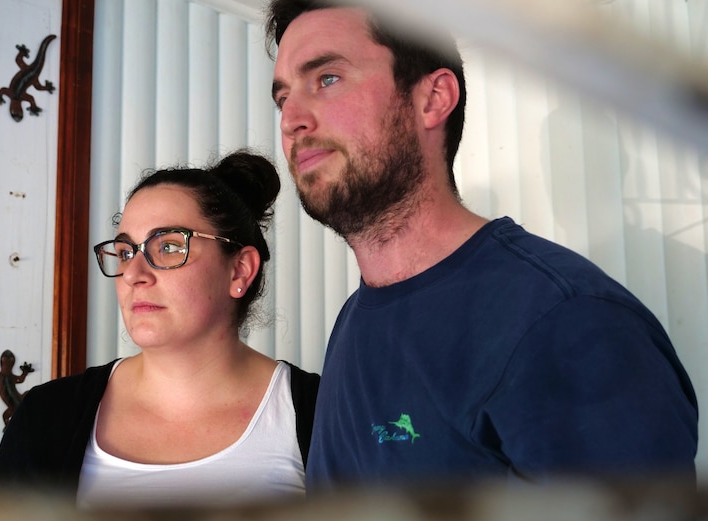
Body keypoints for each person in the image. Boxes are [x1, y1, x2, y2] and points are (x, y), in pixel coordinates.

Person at [265, 1, 697, 487]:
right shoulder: (354, 322)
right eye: (283, 98)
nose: (291, 120)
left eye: (327, 79)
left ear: (432, 99)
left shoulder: (570, 324)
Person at [0, 150, 320, 521]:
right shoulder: (47, 418)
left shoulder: (320, 414)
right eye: (124, 252)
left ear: (239, 271)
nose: (134, 272)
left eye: (169, 246)